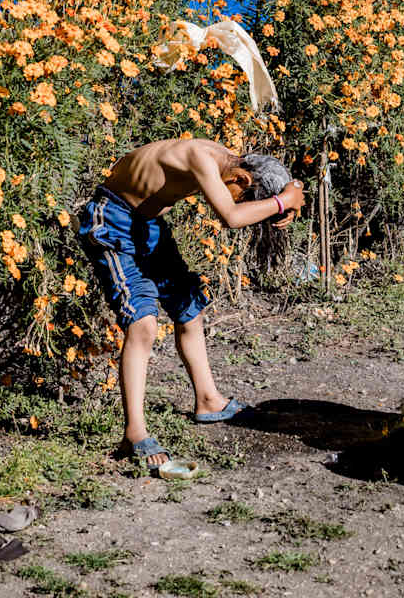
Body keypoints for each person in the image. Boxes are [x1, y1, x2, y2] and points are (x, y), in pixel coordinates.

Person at [78, 139, 305, 471]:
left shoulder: (229, 162)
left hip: (148, 225)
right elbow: (231, 217)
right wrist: (282, 201)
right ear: (242, 179)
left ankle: (209, 399)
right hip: (112, 219)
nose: (236, 199)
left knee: (189, 308)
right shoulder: (201, 157)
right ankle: (134, 433)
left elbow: (276, 187)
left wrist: (291, 192)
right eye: (242, 195)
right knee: (143, 324)